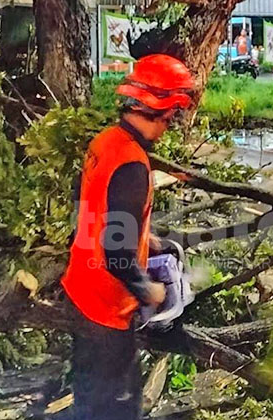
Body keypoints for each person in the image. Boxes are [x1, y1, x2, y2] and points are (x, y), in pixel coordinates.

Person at [61, 54, 194, 420]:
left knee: (90, 396)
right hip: (107, 308)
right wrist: (150, 290)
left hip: (80, 288)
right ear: (164, 112)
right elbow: (117, 254)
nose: (169, 126)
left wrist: (145, 240)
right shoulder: (133, 164)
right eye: (171, 117)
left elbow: (88, 202)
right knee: (116, 408)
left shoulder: (105, 142)